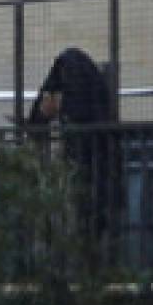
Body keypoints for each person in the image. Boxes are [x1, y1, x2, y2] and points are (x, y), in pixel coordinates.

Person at [28, 46, 117, 242]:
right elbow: (36, 120)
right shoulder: (89, 89)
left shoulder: (84, 94)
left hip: (86, 163)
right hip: (77, 165)